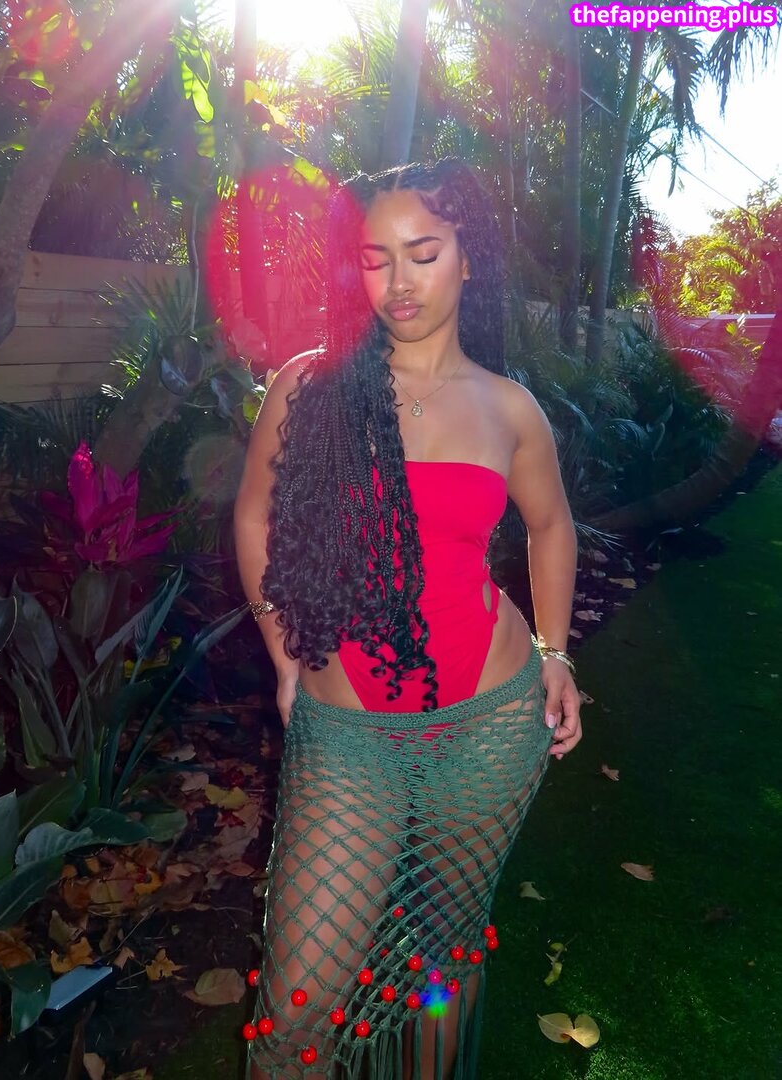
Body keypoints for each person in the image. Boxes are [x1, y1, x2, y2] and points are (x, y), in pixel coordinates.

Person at [233, 157, 582, 1080]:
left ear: (467, 259)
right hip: (348, 731)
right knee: (297, 1004)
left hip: (490, 722)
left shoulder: (508, 409)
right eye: (375, 259)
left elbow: (550, 527)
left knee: (441, 955)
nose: (399, 282)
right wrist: (281, 653)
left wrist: (554, 653)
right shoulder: (309, 387)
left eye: (423, 253)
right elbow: (254, 516)